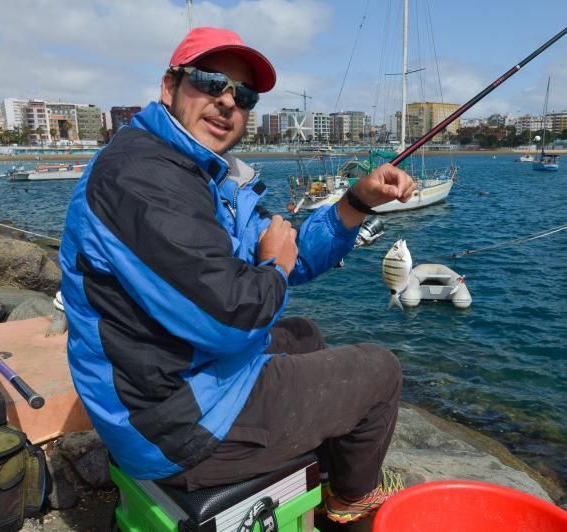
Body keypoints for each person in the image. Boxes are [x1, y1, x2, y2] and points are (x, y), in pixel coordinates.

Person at [60, 26, 416, 524]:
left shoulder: (198, 173)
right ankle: (352, 505)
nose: (226, 102)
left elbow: (291, 256)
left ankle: (329, 476)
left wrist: (354, 203)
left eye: (242, 94)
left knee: (304, 333)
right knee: (380, 371)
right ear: (169, 87)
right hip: (172, 426)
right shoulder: (142, 179)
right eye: (209, 82)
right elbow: (231, 317)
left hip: (172, 384)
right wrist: (273, 264)